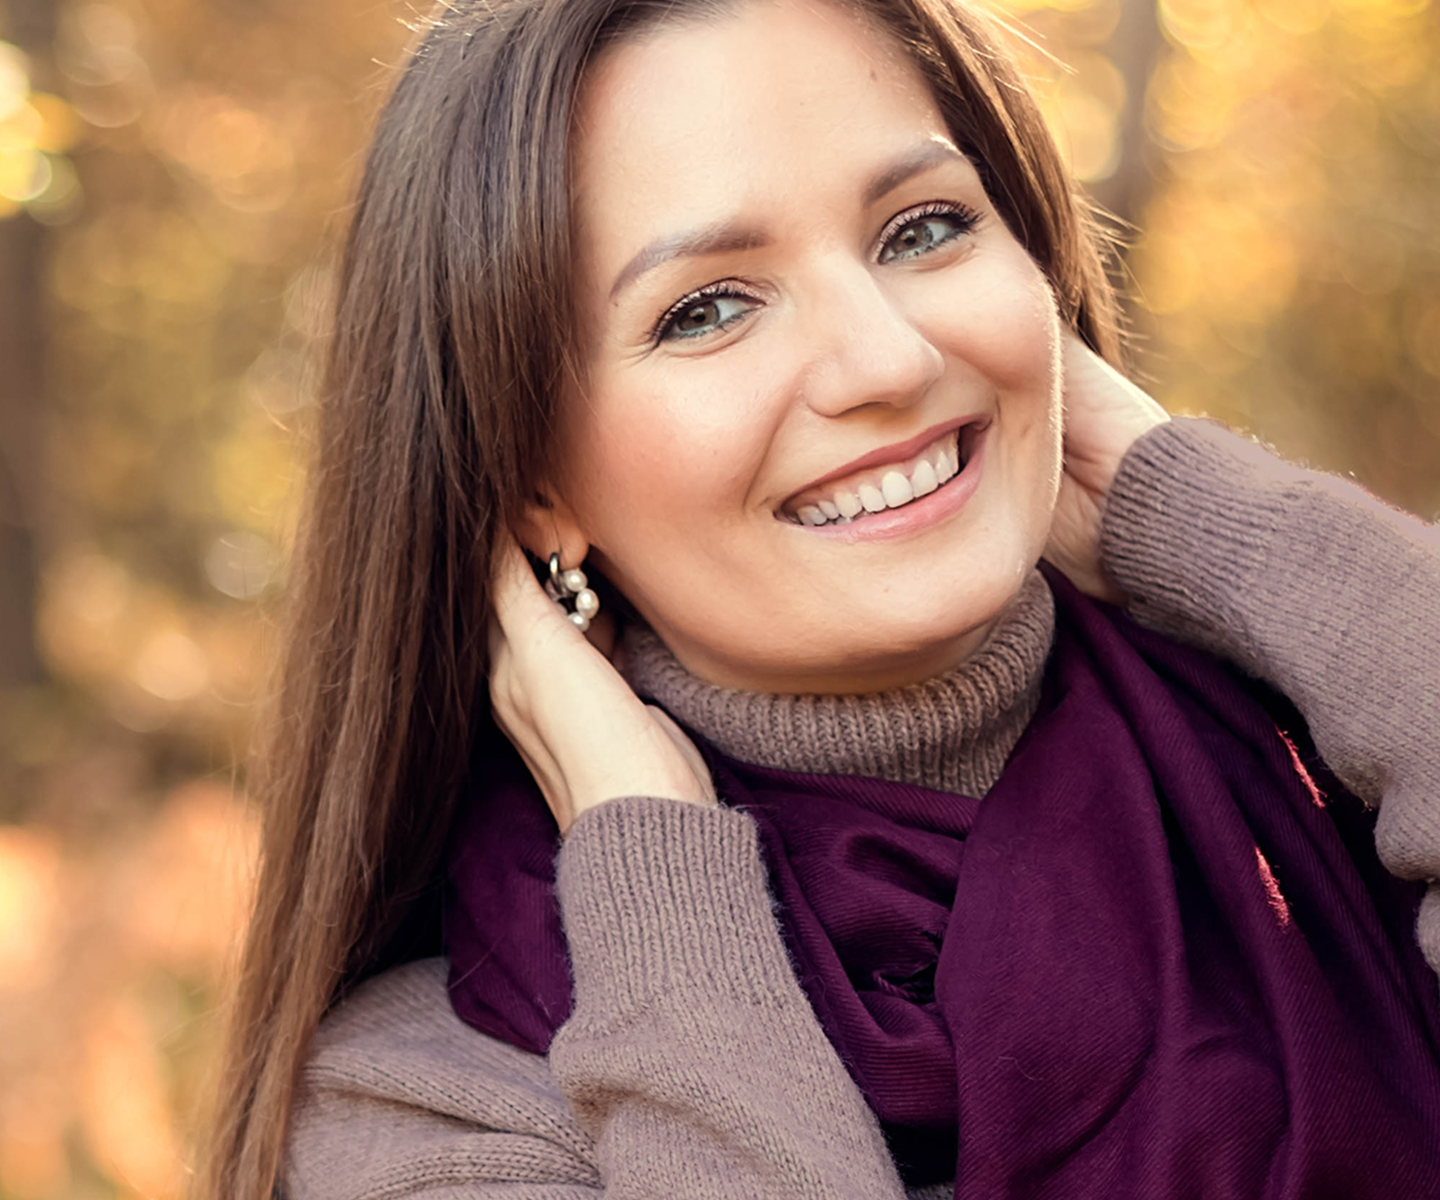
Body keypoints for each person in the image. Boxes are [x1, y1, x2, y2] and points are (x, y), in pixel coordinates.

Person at [196, 0, 1440, 1196]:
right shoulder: (429, 1104)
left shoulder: (1342, 786)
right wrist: (664, 890)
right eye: (707, 309)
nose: (889, 358)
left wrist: (1226, 528)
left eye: (923, 230)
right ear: (534, 490)